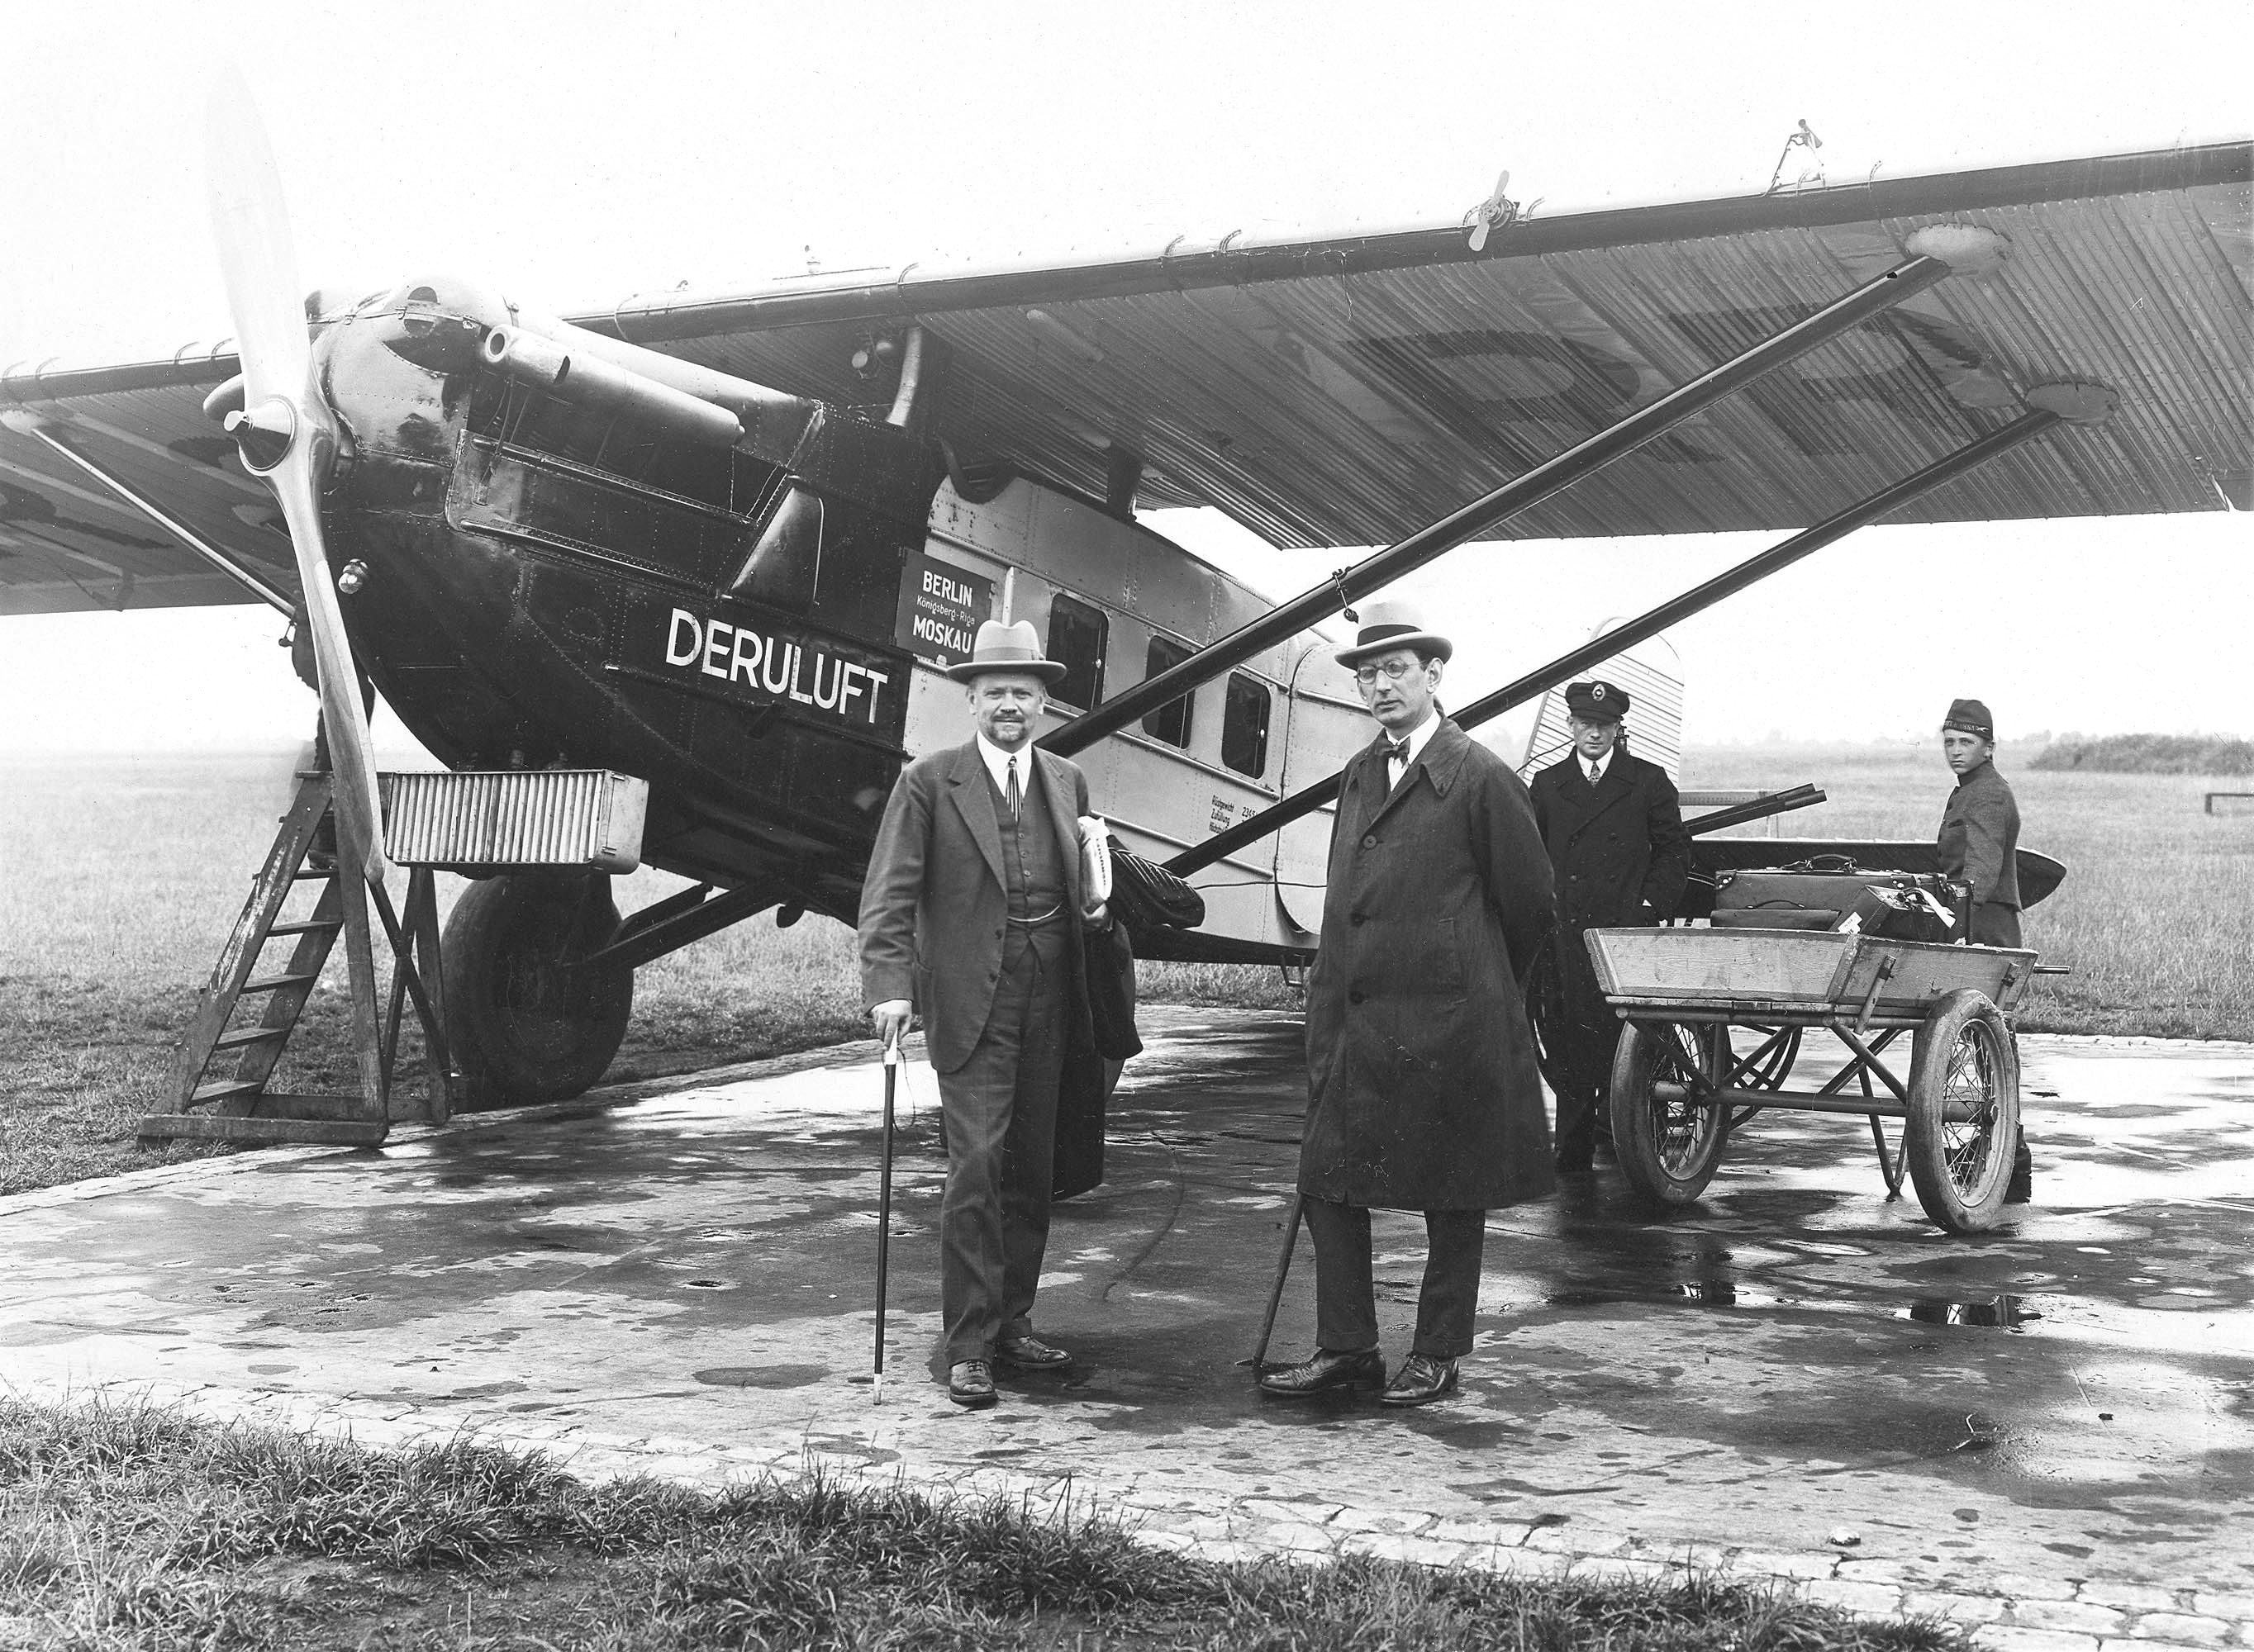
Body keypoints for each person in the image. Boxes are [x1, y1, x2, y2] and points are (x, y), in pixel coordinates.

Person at [1260, 601, 1555, 1408]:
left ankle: (1437, 1352)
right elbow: (1344, 903)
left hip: (1451, 1023)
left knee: (1450, 1190)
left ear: (1433, 676)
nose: (1380, 684)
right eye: (1367, 672)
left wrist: (1476, 989)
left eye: (1396, 669)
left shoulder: (1481, 777)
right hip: (1361, 1019)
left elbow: (1530, 906)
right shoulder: (1362, 772)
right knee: (1328, 1178)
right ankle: (1348, 1345)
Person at [857, 619, 1111, 1408]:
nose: (1010, 705)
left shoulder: (1068, 781)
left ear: (1043, 703)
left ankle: (1013, 1325)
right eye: (995, 691)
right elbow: (889, 894)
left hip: (1053, 995)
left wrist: (1097, 908)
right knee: (977, 1167)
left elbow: (1086, 885)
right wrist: (890, 987)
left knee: (1034, 1169)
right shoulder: (930, 782)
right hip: (973, 1000)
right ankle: (966, 1345)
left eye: (1024, 693)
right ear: (971, 700)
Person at [1527, 681, 1690, 1175]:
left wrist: (1649, 904)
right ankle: (1572, 1145)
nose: (1593, 733)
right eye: (1584, 724)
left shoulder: (1647, 782)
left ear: (1619, 730)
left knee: (1626, 1033)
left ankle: (1624, 1133)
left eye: (1603, 725)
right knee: (1566, 1033)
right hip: (1567, 933)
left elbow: (1674, 851)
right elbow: (1530, 854)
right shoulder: (1548, 785)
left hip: (1626, 932)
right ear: (1570, 726)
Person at [1936, 696, 2033, 1202]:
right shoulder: (1971, 790)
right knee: (1984, 1043)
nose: (1955, 751)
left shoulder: (1988, 795)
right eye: (1949, 742)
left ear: (1988, 747)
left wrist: (1957, 927)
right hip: (1973, 918)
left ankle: (2011, 1162)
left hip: (1985, 922)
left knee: (1992, 1041)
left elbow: (1979, 873)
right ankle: (2007, 1157)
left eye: (1966, 742)